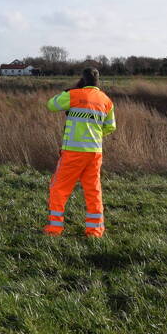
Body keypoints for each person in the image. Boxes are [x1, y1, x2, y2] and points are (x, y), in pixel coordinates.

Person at [43, 67, 116, 237]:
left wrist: (66, 92)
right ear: (98, 81)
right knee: (93, 190)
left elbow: (51, 105)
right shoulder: (106, 101)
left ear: (83, 80)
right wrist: (95, 133)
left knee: (58, 189)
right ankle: (95, 230)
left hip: (74, 152)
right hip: (95, 152)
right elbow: (111, 126)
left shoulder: (73, 95)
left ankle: (54, 229)